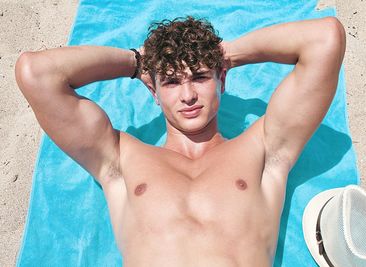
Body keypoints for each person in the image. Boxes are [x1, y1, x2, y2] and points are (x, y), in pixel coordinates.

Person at [15, 16, 345, 267]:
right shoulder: (119, 158)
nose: (188, 95)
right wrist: (135, 62)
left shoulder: (264, 148)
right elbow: (36, 73)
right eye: (171, 82)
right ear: (153, 91)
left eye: (201, 76)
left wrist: (226, 55)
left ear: (221, 79)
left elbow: (325, 38)